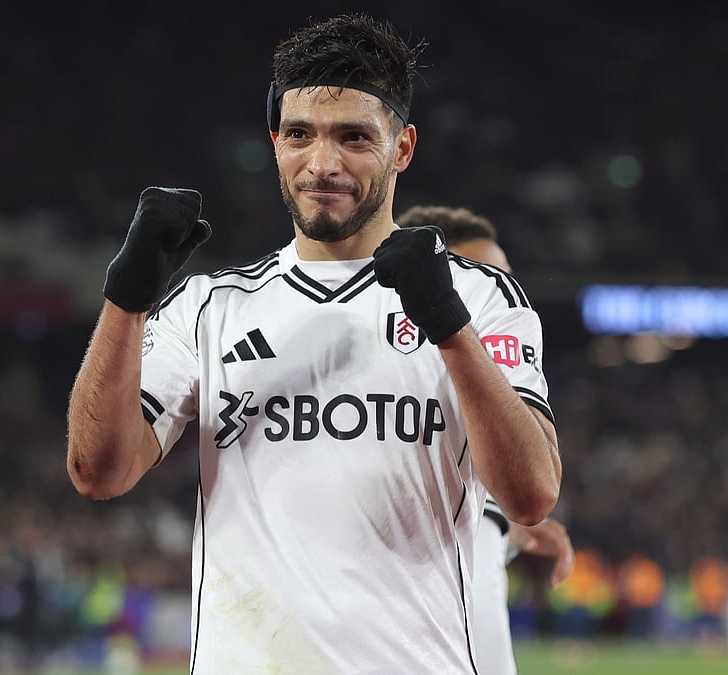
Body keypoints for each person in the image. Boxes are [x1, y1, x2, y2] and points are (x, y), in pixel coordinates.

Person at [66, 13, 561, 674]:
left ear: (402, 147)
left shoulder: (481, 299)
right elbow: (97, 470)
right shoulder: (210, 308)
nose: (322, 164)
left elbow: (531, 493)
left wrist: (447, 324)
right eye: (300, 134)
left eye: (354, 137)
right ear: (275, 142)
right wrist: (127, 297)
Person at [399, 204, 575, 675]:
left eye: (505, 277)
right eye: (479, 275)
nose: (501, 293)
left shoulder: (505, 362)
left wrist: (507, 521)